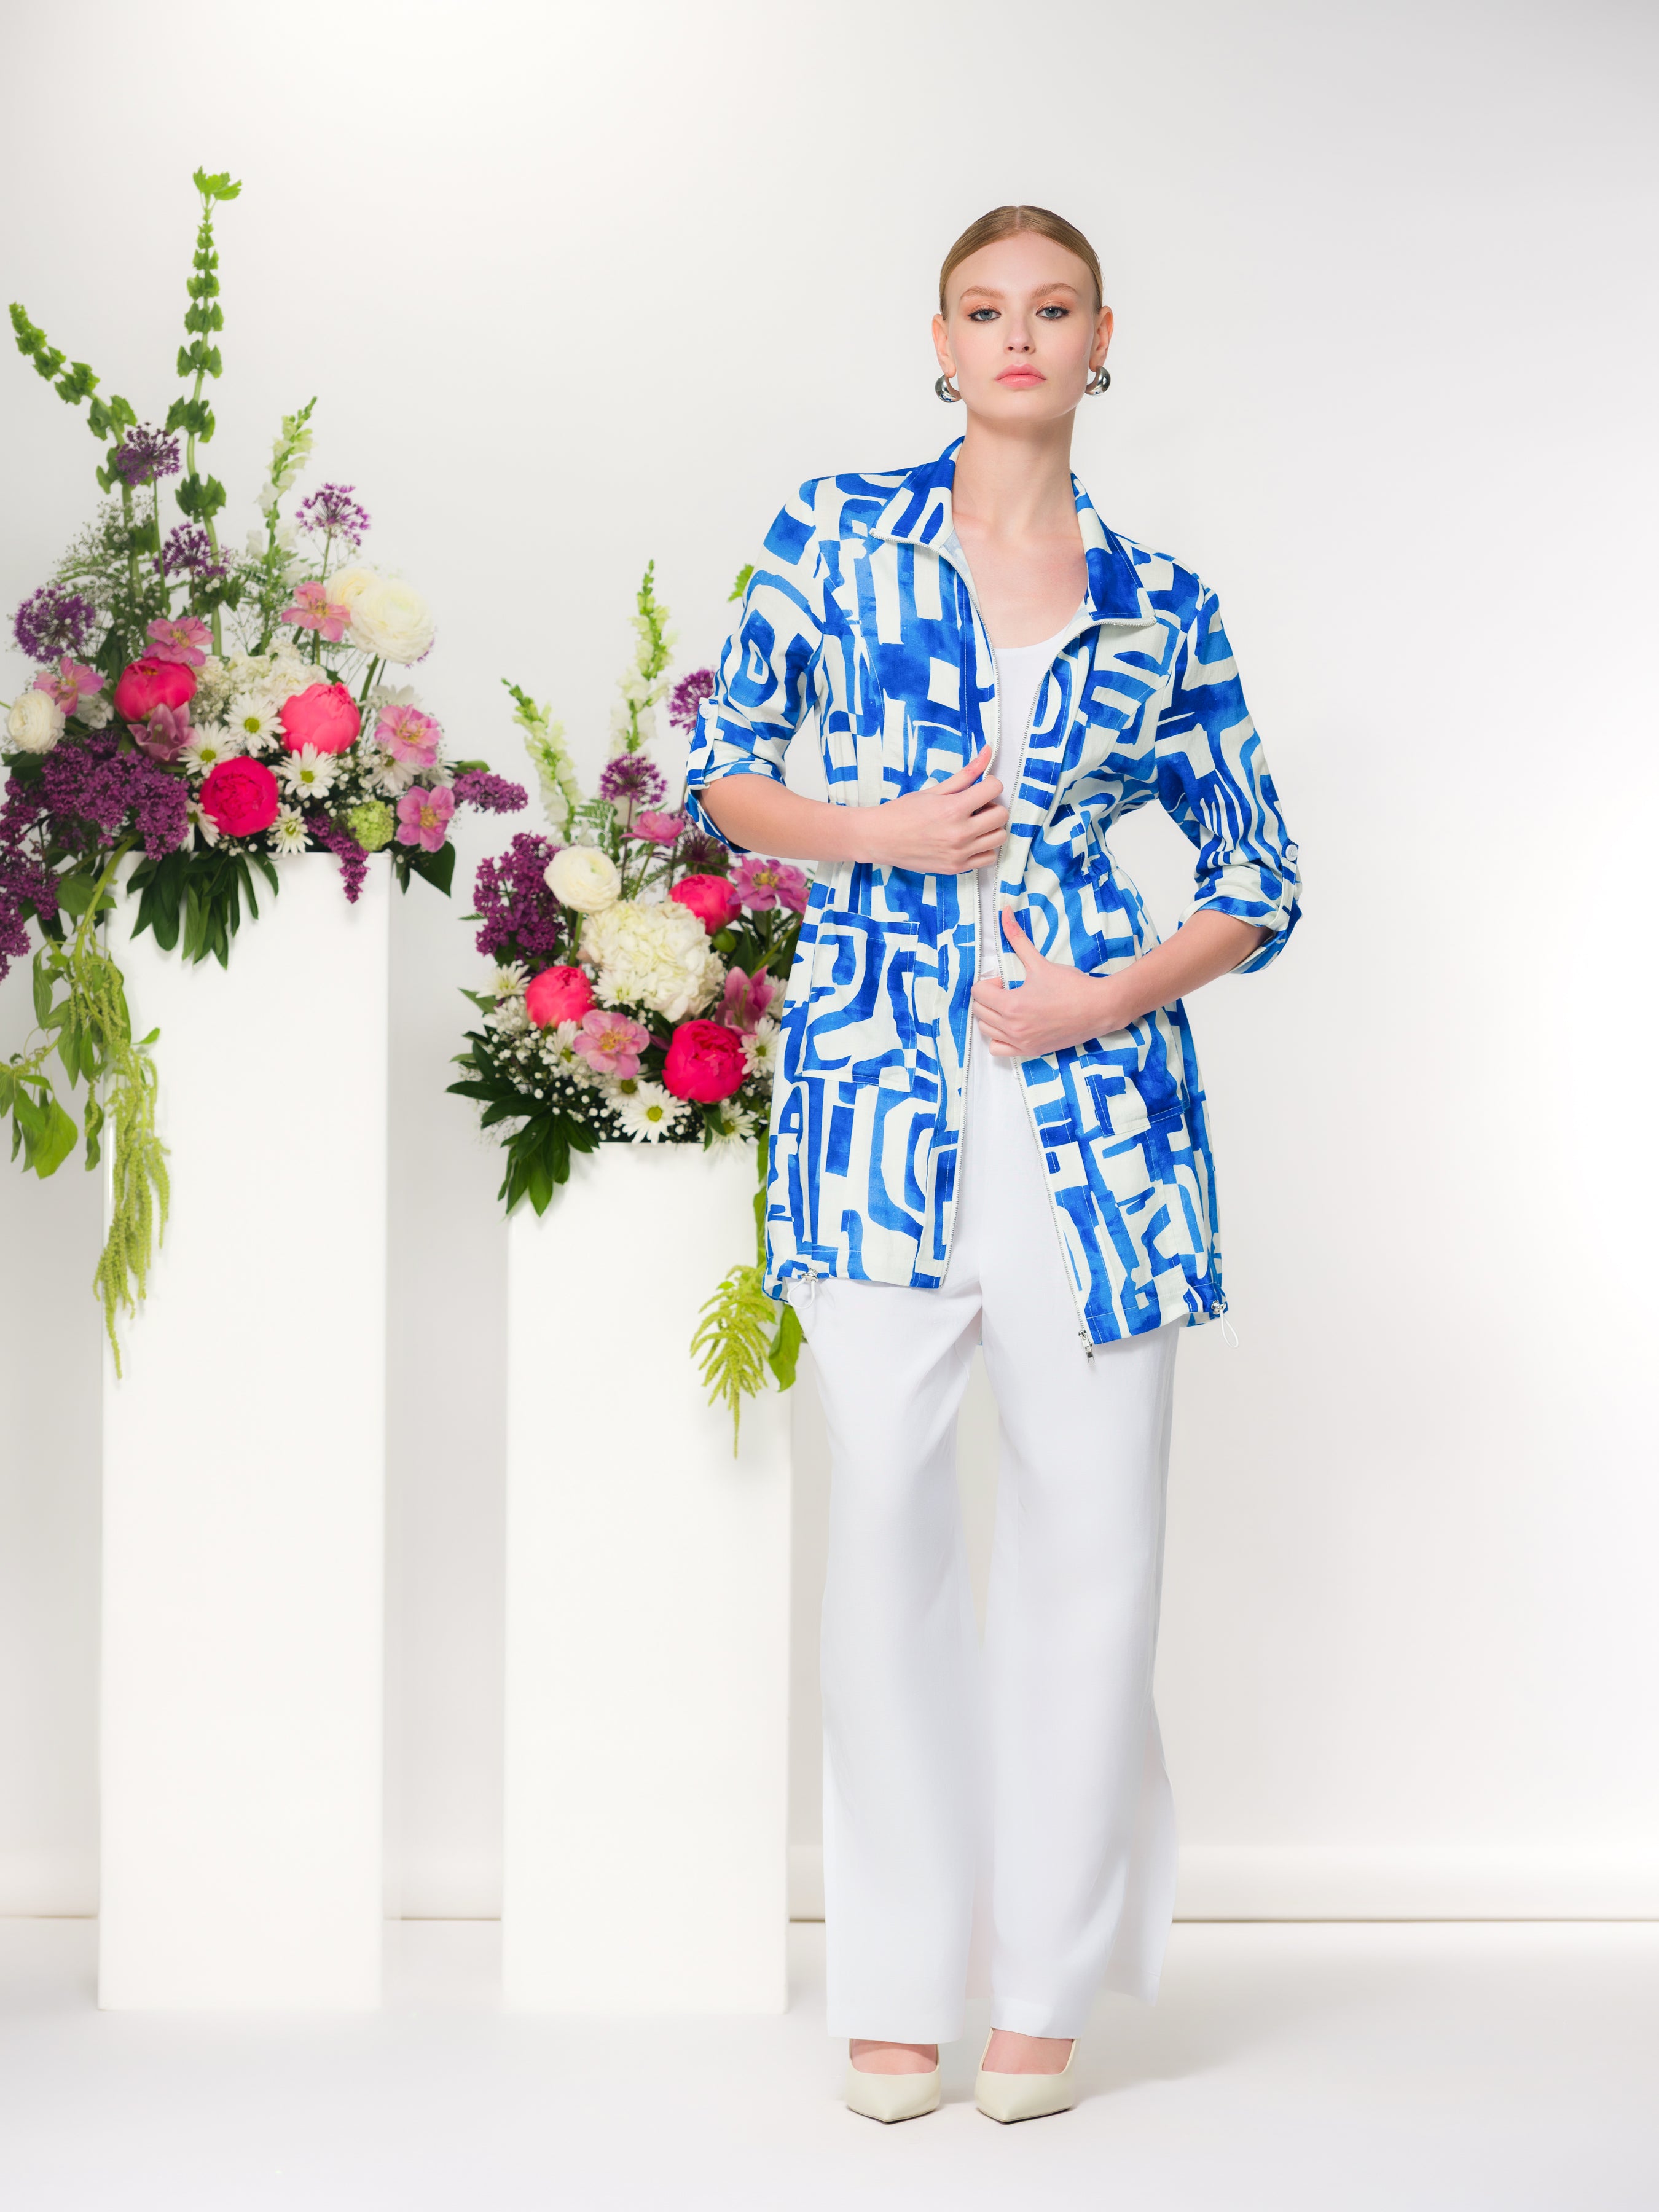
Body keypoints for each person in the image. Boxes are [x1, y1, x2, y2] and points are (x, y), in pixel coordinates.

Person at [684, 204, 1301, 2125]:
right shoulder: (835, 533)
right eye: (981, 308)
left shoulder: (1164, 601)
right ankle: (890, 1987)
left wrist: (1109, 993)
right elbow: (718, 761)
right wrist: (872, 830)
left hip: (1097, 1132)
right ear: (937, 337)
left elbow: (1260, 877)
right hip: (872, 1096)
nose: (1015, 335)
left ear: (1099, 335)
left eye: (1049, 309)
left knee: (1088, 1551)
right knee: (880, 1533)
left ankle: (1036, 1998)